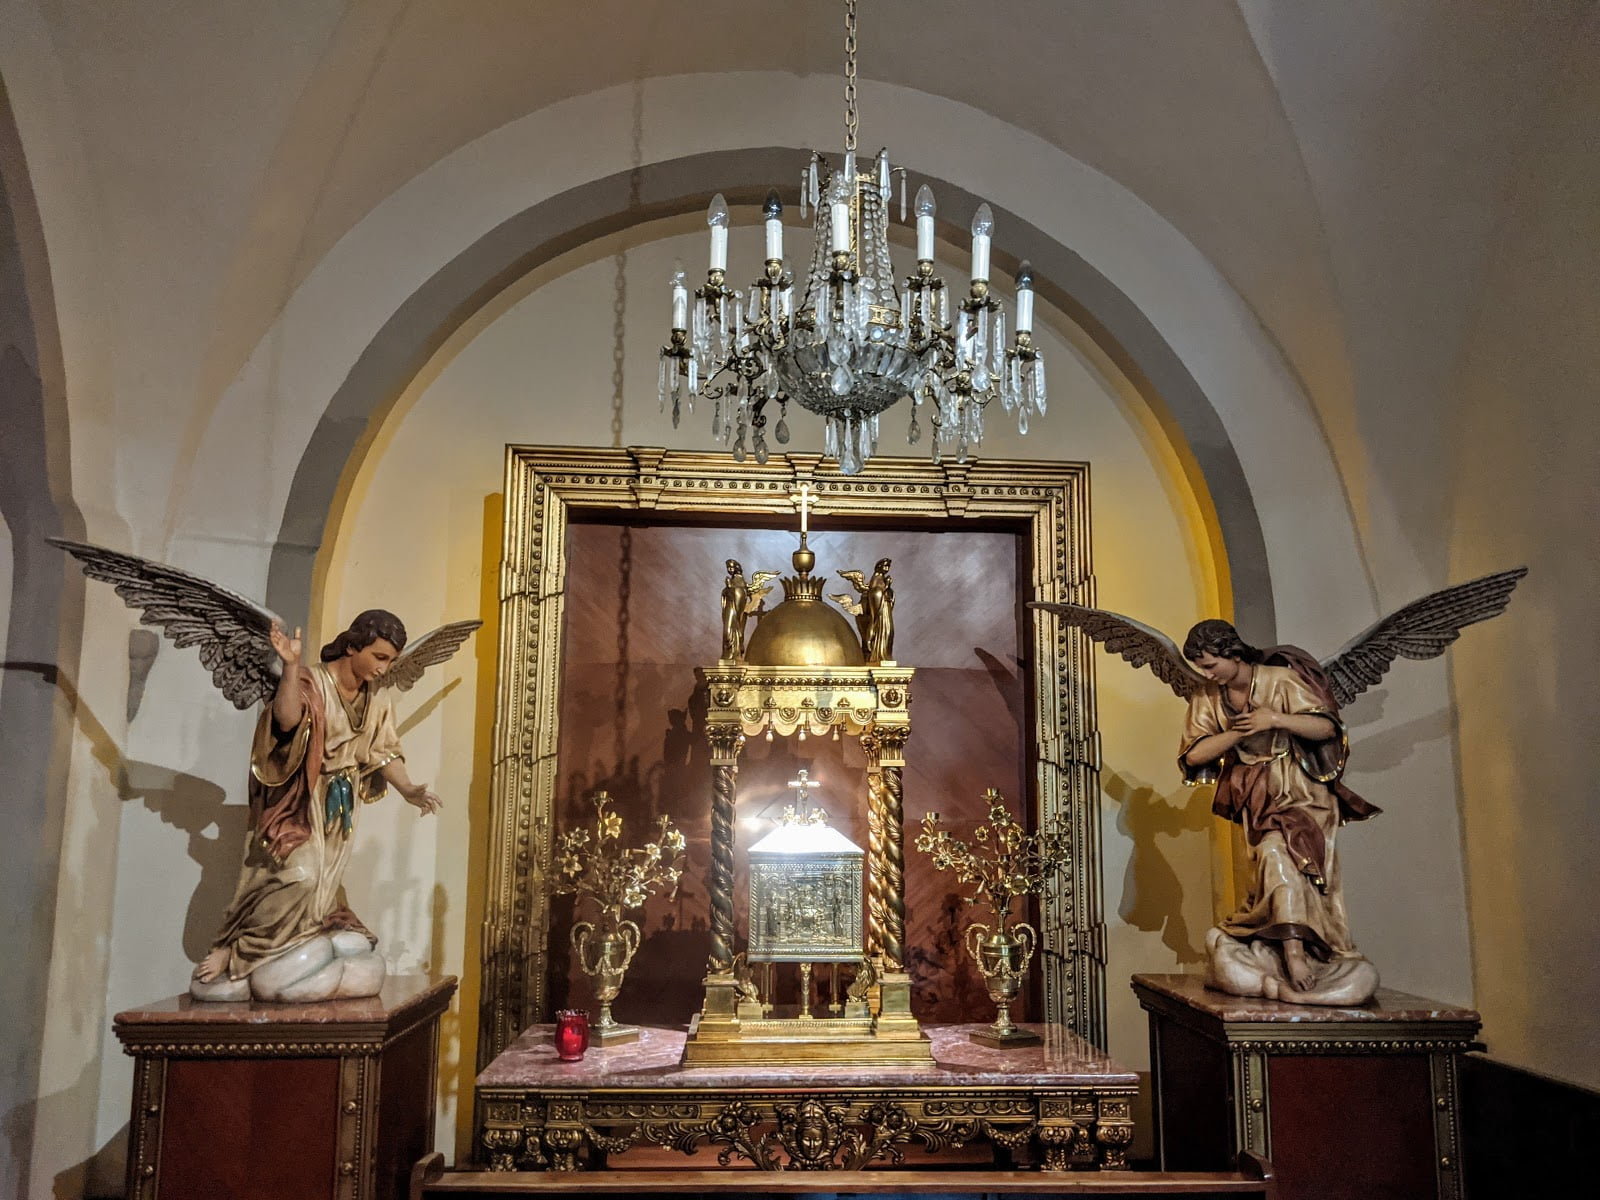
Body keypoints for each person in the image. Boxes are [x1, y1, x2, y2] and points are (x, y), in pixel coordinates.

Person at [191, 610, 442, 1001]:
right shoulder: (313, 681)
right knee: (297, 876)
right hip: (300, 797)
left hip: (340, 805)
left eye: (391, 660)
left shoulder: (377, 697)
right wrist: (291, 667)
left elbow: (383, 751)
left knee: (322, 887)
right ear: (353, 646)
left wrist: (408, 789)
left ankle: (300, 946)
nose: (384, 668)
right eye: (379, 657)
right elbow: (287, 721)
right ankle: (238, 949)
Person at [1178, 619, 1380, 1005]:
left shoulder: (1281, 680)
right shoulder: (1208, 696)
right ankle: (1284, 944)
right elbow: (1194, 754)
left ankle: (1296, 953)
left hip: (1303, 792)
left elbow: (1325, 728)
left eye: (1211, 665)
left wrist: (1274, 719)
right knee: (1271, 865)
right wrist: (1238, 733)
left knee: (1288, 860)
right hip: (1257, 794)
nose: (1207, 674)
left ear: (1232, 653)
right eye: (1202, 668)